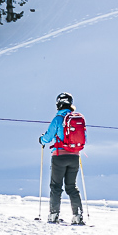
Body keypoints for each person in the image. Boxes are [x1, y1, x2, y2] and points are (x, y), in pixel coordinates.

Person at [39, 91, 86, 224]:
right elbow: (84, 138)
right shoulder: (76, 119)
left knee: (56, 186)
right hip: (75, 157)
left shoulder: (58, 119)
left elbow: (47, 137)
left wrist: (41, 140)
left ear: (58, 104)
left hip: (59, 156)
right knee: (71, 186)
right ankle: (78, 216)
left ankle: (54, 215)